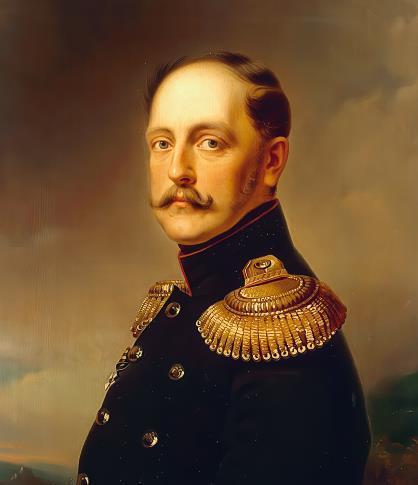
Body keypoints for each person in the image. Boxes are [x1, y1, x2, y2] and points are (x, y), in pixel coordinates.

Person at [77, 51, 372, 485]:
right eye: (162, 143)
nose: (177, 170)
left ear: (271, 161)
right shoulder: (190, 300)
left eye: (210, 142)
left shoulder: (283, 332)